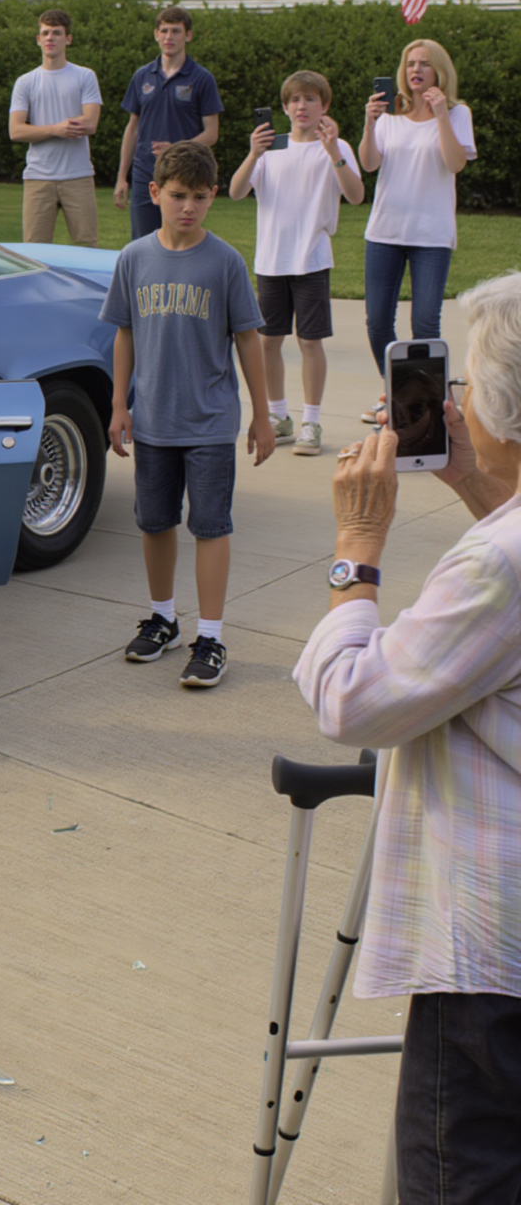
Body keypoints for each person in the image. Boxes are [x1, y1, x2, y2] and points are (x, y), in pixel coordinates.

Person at [295, 271, 521, 1201]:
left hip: (491, 956)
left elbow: (353, 700)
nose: (458, 405)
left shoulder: (500, 563)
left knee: (461, 1174)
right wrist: (474, 477)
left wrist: (358, 550)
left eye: (469, 387)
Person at [103, 140, 274, 689]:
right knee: (154, 522)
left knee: (210, 525)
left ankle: (212, 636)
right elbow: (125, 335)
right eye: (177, 195)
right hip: (152, 418)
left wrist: (263, 414)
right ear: (153, 192)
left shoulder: (224, 261)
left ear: (213, 196)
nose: (188, 207)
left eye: (200, 197)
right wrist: (118, 405)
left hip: (209, 422)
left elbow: (248, 340)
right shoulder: (134, 259)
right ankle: (163, 619)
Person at [229, 70, 364, 457]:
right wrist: (253, 153)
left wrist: (335, 151)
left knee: (309, 340)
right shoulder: (270, 149)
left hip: (312, 258)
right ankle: (278, 416)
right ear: (284, 108)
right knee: (269, 340)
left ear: (325, 105)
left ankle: (311, 420)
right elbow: (237, 192)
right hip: (271, 259)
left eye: (310, 99)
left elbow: (355, 196)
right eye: (294, 100)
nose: (301, 106)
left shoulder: (336, 147)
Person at [357, 37, 475, 425]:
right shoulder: (390, 116)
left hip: (431, 235)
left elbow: (455, 163)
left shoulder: (457, 114)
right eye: (410, 64)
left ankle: (429, 404)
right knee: (377, 321)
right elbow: (369, 164)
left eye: (424, 63)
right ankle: (396, 393)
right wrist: (370, 122)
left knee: (425, 322)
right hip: (385, 232)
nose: (416, 70)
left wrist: (440, 115)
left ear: (439, 70)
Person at [113, 7, 223, 241]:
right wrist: (122, 176)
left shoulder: (202, 78)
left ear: (188, 35)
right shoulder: (142, 76)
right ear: (156, 34)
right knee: (143, 240)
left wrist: (175, 149)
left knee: (182, 239)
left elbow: (212, 133)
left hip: (185, 174)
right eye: (164, 31)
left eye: (175, 31)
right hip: (145, 173)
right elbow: (132, 128)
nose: (169, 37)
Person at [8, 8, 102, 249]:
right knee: (34, 251)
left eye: (57, 33)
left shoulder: (84, 76)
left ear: (67, 39)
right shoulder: (26, 82)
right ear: (38, 39)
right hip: (38, 178)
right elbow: (16, 131)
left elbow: (90, 123)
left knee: (87, 248)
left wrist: (45, 129)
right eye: (45, 33)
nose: (50, 38)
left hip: (78, 176)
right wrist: (57, 129)